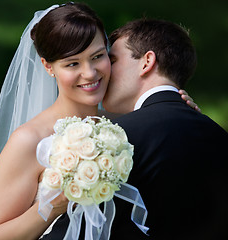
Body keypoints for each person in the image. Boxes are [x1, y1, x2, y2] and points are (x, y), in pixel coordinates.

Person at [0, 3, 201, 239]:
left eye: (98, 56)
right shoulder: (29, 140)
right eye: (72, 63)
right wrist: (53, 206)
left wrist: (182, 115)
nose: (89, 73)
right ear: (48, 67)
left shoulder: (127, 127)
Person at [44, 17, 228, 239]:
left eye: (112, 60)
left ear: (146, 62)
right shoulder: (219, 136)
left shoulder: (113, 140)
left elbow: (74, 233)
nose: (104, 72)